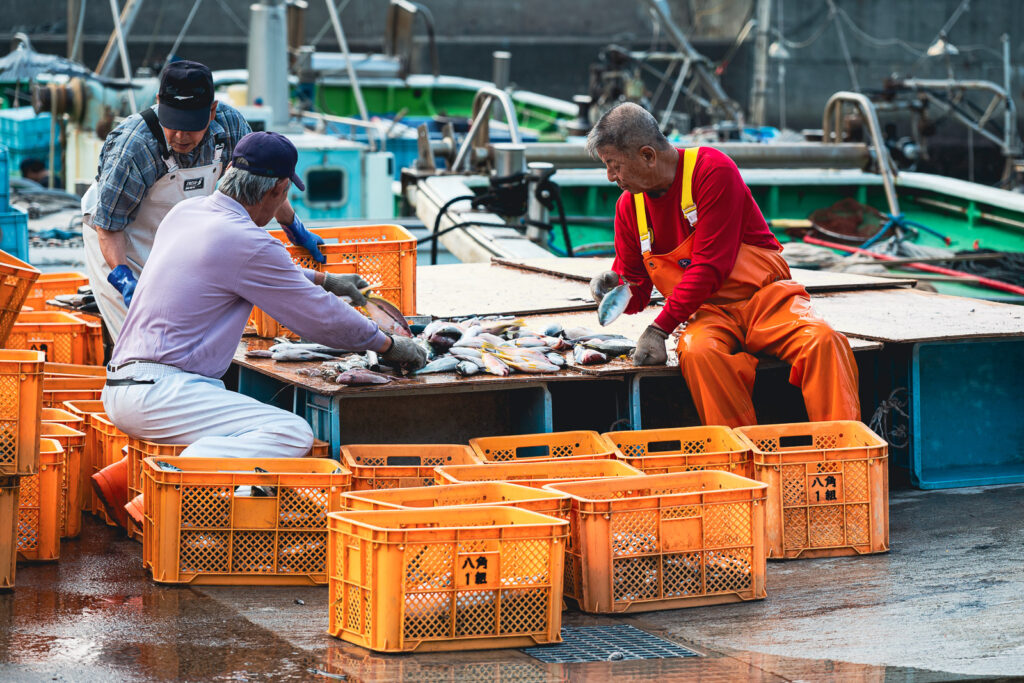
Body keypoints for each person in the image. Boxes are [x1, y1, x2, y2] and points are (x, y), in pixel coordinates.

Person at [92, 131, 427, 527]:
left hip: (125, 383)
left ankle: (120, 482)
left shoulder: (187, 212)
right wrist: (387, 345)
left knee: (236, 428)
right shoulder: (246, 241)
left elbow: (245, 267)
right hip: (161, 392)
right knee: (290, 431)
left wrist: (325, 280)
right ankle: (159, 493)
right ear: (278, 190)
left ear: (229, 173)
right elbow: (320, 318)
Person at [586, 103, 859, 427]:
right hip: (706, 313)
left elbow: (710, 266)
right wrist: (615, 288)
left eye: (614, 165)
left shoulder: (712, 169)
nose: (610, 177)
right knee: (698, 352)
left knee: (823, 341)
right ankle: (741, 450)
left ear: (648, 155)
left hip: (767, 301)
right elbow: (638, 290)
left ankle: (844, 445)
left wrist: (659, 330)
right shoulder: (628, 208)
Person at [81, 59, 326, 340]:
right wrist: (124, 279)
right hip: (122, 239)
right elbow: (109, 227)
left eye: (191, 126)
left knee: (188, 331)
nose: (181, 136)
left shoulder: (231, 126)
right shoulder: (134, 147)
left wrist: (294, 227)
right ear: (159, 102)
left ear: (212, 111)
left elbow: (264, 182)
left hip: (179, 236)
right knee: (143, 338)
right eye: (173, 124)